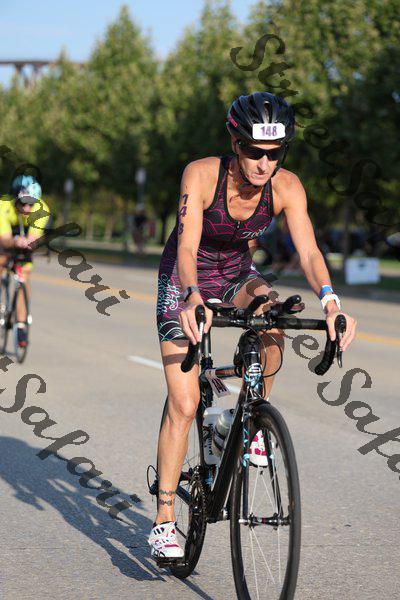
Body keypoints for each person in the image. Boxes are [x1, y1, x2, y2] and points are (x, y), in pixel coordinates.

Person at [148, 91, 357, 561]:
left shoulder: (287, 187)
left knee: (274, 316)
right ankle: (163, 518)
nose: (264, 163)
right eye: (254, 151)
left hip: (237, 274)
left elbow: (309, 251)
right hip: (184, 279)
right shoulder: (202, 175)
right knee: (184, 402)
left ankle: (245, 417)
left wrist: (331, 302)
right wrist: (192, 296)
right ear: (235, 143)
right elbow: (186, 247)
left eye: (275, 153)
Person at [0, 174, 51, 346]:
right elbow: (5, 239)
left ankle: (21, 324)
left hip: (25, 235)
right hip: (5, 236)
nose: (27, 208)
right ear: (14, 199)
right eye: (23, 203)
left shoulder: (41, 210)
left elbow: (33, 238)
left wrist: (29, 243)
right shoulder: (3, 206)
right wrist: (14, 242)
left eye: (31, 203)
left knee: (24, 275)